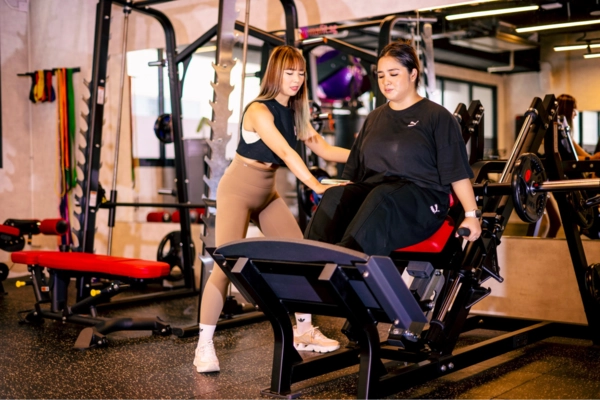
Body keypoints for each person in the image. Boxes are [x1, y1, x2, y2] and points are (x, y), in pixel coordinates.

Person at [194, 45, 351, 373]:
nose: (296, 79)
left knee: (303, 255)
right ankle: (203, 346)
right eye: (289, 72)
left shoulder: (296, 113)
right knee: (225, 268)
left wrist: (372, 156)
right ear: (274, 74)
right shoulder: (258, 110)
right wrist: (317, 185)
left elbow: (324, 148)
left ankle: (304, 331)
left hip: (267, 193)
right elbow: (286, 152)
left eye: (301, 73)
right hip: (237, 191)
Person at [304, 41, 482, 255]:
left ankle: (345, 264)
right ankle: (309, 259)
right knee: (335, 196)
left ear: (413, 74)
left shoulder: (437, 116)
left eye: (393, 74)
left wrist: (472, 215)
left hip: (422, 201)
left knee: (383, 196)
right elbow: (356, 175)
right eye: (380, 75)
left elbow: (457, 172)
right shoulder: (374, 117)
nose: (386, 81)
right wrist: (343, 199)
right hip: (379, 195)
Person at [557, 94, 600, 160]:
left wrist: (593, 158)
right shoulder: (558, 133)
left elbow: (584, 155)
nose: (576, 114)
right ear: (567, 111)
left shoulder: (567, 134)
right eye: (573, 110)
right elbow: (566, 159)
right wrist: (592, 158)